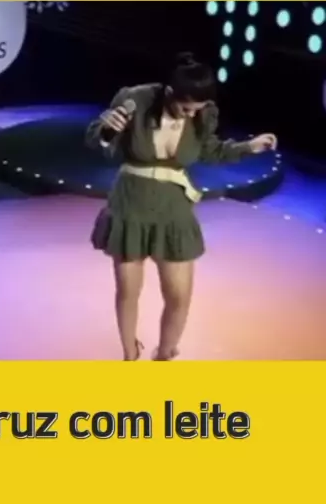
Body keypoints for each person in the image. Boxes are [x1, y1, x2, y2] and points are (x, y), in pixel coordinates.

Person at [86, 52, 278, 361]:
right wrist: (107, 130)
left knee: (178, 296)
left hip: (173, 207)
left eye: (196, 110)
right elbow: (97, 142)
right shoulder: (135, 99)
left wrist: (248, 147)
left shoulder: (203, 113)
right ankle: (129, 355)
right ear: (170, 92)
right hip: (129, 203)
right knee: (127, 291)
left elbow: (210, 151)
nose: (190, 115)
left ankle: (165, 354)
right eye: (185, 108)